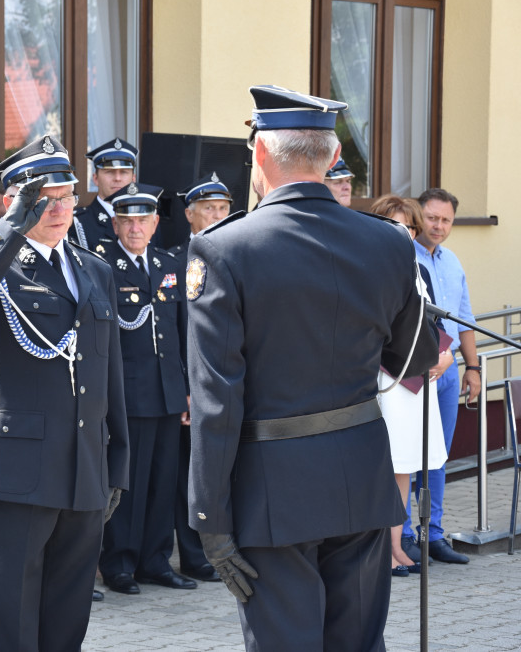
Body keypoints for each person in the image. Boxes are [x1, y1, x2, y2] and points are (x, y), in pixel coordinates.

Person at [186, 85, 438, 651]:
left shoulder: (224, 250)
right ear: (329, 159)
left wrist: (209, 516)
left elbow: (215, 400)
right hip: (361, 477)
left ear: (260, 155)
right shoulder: (390, 243)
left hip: (272, 488)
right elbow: (417, 357)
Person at [0, 135, 129, 651]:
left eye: (66, 195)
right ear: (14, 201)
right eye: (43, 198)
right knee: (12, 617)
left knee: (68, 615)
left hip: (84, 467)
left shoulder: (95, 270)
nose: (59, 208)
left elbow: (110, 374)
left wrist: (116, 460)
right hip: (16, 472)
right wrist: (11, 226)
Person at [98, 183, 196, 595]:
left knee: (163, 480)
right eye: (127, 220)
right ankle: (119, 563)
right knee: (128, 481)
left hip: (168, 392)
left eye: (143, 220)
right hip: (128, 393)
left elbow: (182, 331)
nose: (135, 227)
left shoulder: (168, 263)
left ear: (155, 224)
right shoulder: (103, 267)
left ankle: (155, 560)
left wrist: (188, 388)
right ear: (115, 223)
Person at [370, 195, 453, 576]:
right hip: (387, 381)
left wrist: (446, 354)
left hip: (417, 385)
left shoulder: (417, 269)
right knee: (383, 467)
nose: (403, 233)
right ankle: (378, 552)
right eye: (394, 225)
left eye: (408, 227)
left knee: (404, 467)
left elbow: (432, 325)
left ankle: (396, 546)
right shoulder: (368, 268)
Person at [402, 187, 480, 566]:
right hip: (415, 373)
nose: (438, 225)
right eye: (432, 217)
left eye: (446, 220)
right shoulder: (403, 255)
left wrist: (474, 368)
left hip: (448, 375)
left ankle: (432, 534)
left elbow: (465, 320)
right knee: (407, 455)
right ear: (419, 217)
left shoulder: (452, 261)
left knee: (437, 456)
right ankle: (401, 537)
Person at [169, 172, 232, 583]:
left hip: (229, 384)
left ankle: (224, 546)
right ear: (189, 214)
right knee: (190, 473)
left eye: (223, 208)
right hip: (193, 389)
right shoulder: (174, 261)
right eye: (207, 208)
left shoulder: (236, 255)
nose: (215, 215)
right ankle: (194, 554)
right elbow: (175, 333)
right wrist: (185, 390)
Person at [69, 137, 138, 254]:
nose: (117, 178)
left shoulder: (146, 220)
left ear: (133, 179)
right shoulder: (77, 223)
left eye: (123, 172)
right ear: (95, 178)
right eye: (110, 172)